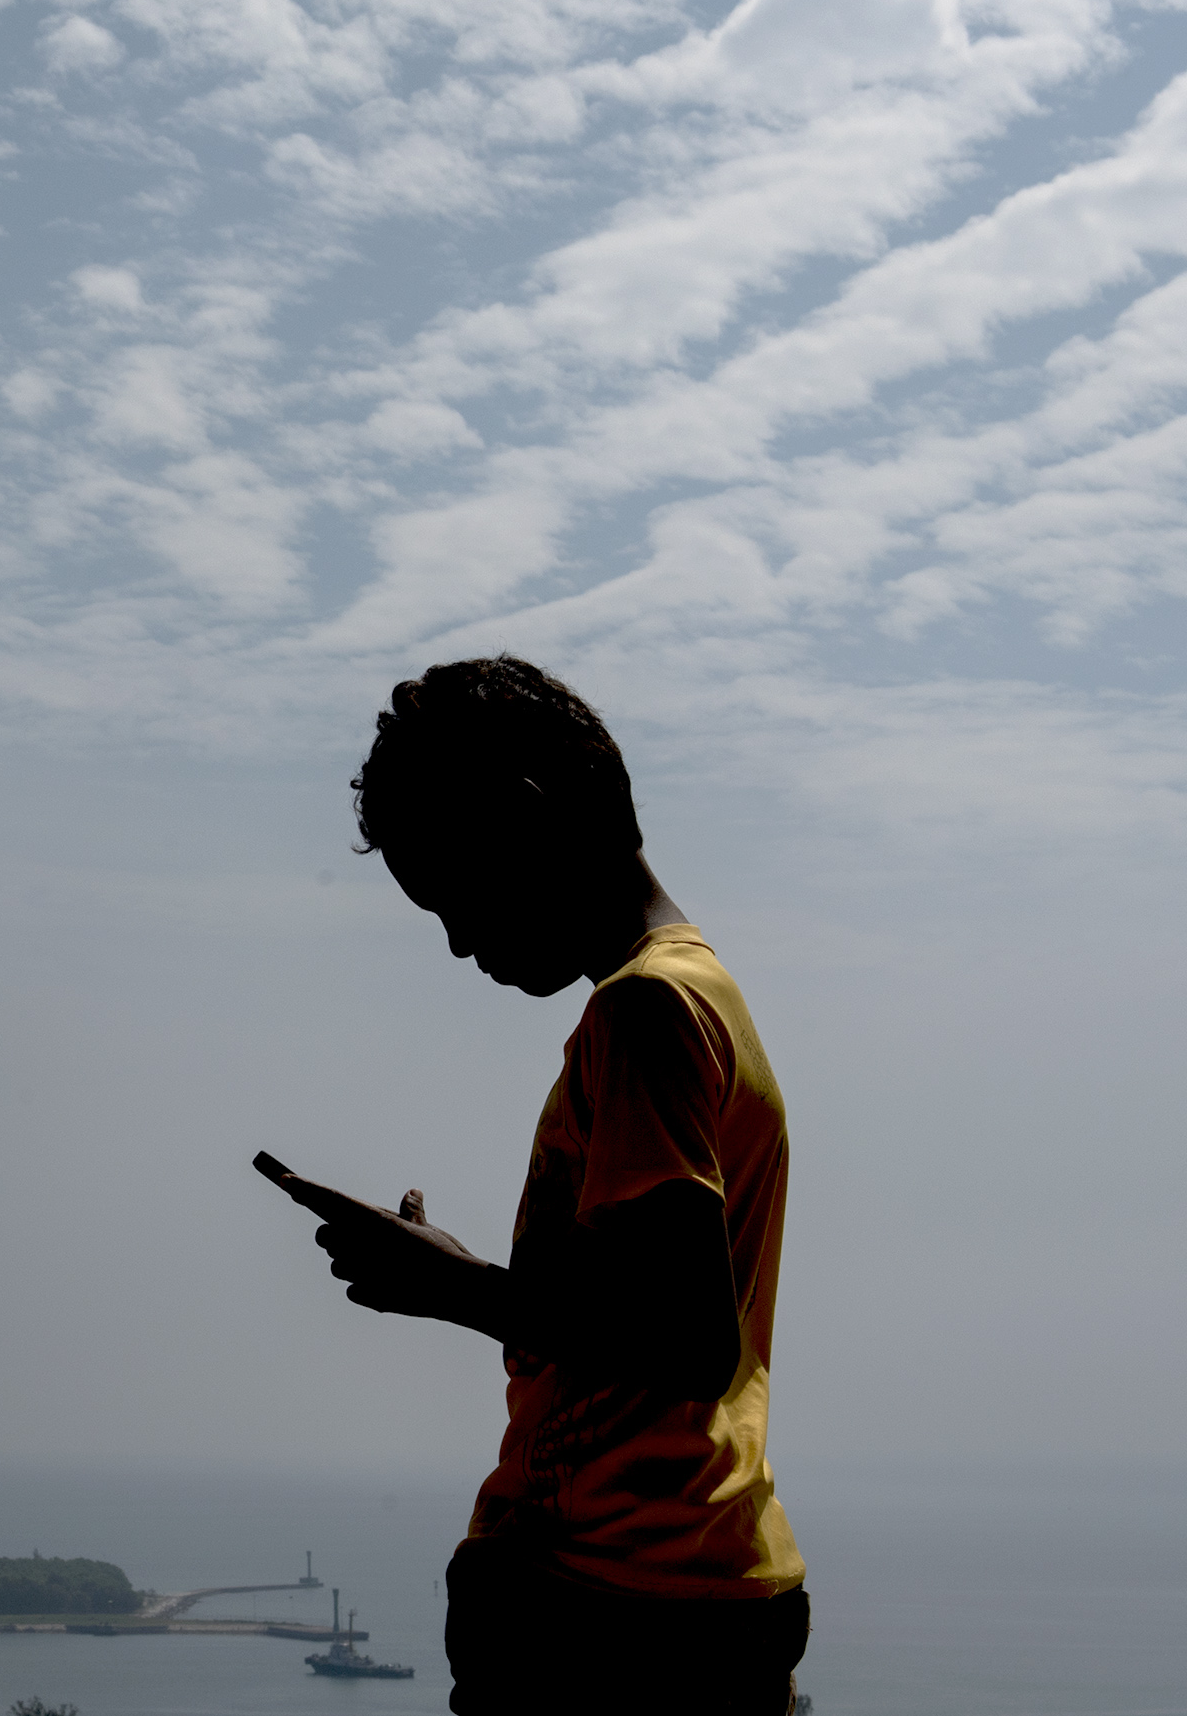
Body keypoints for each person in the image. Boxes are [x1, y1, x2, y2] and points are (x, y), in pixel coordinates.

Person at [269, 655, 807, 1715]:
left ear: (529, 819)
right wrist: (461, 1270)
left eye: (455, 894)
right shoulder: (700, 991)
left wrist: (455, 1285)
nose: (462, 939)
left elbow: (687, 1336)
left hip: (609, 1610)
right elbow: (645, 1307)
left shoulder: (641, 1016)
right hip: (696, 1584)